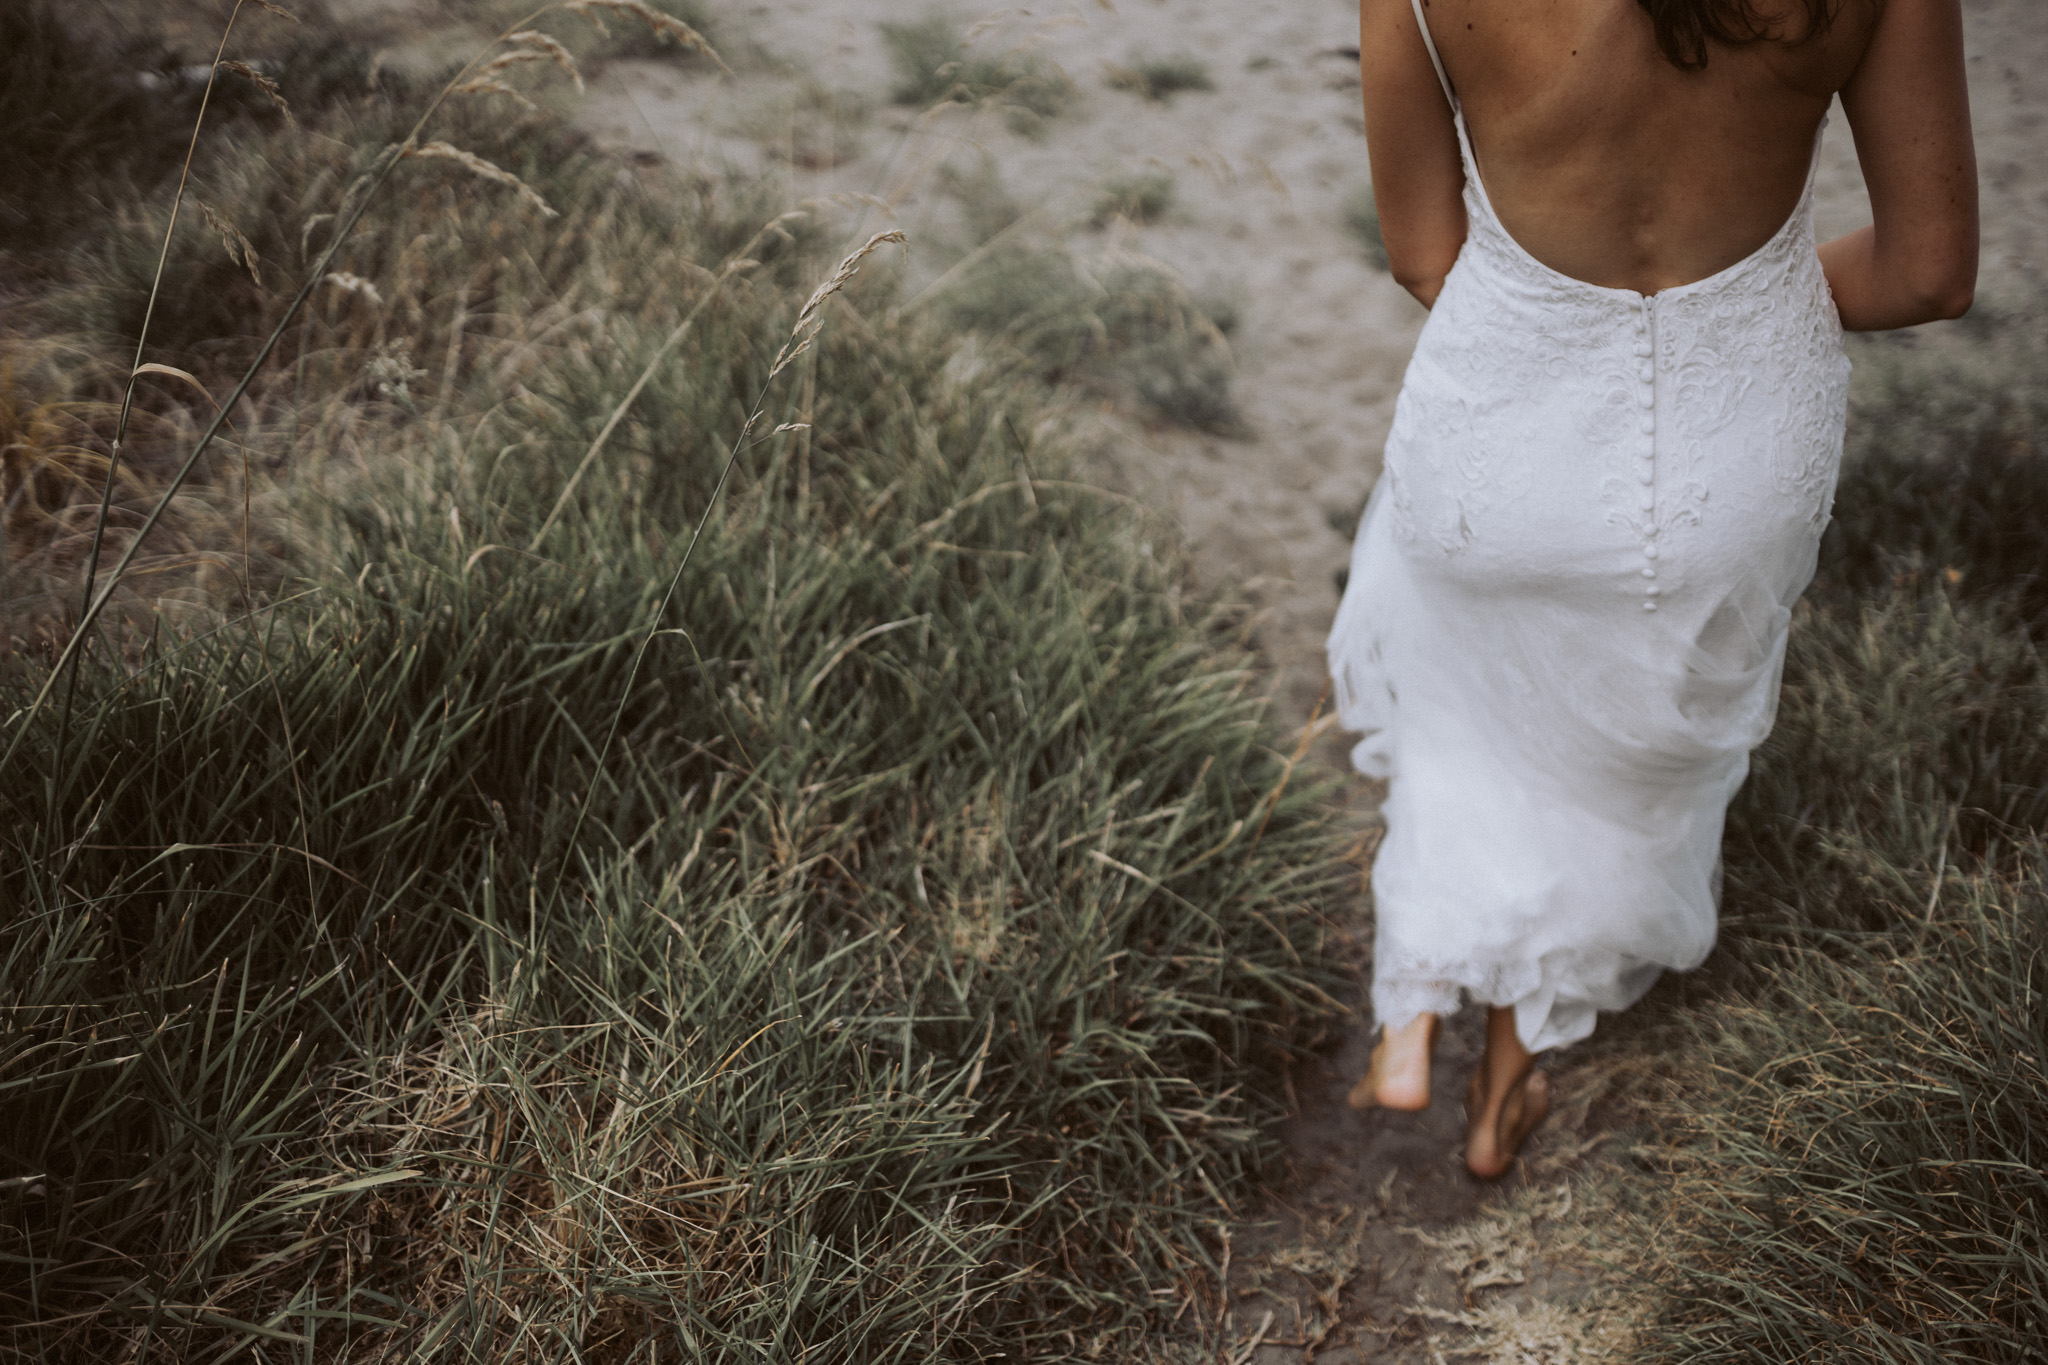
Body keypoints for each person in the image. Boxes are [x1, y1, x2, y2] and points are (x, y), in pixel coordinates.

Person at [1330, 0, 1977, 1178]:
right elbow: (1928, 273)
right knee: (1625, 757)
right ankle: (1502, 1090)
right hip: (1732, 462)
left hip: (1499, 439)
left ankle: (1412, 1004)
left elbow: (1423, 253)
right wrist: (1731, 321)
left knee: (1467, 698)